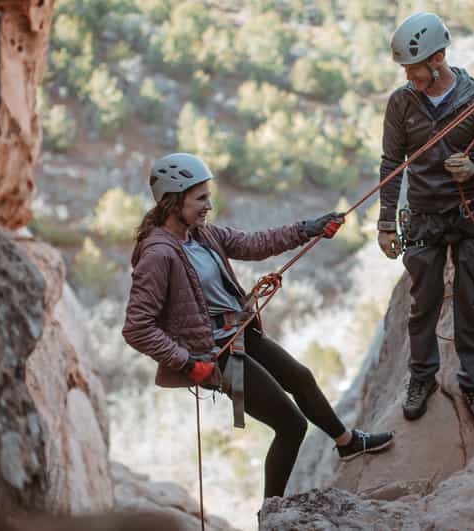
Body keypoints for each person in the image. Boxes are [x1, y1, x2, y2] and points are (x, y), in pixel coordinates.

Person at [123, 152, 394, 499]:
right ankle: (271, 512)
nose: (209, 205)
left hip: (236, 334)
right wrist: (188, 364)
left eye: (209, 196)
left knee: (301, 377)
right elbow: (137, 327)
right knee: (291, 425)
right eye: (200, 198)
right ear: (173, 201)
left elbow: (254, 244)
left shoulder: (202, 236)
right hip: (215, 355)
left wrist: (307, 230)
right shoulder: (158, 254)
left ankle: (347, 442)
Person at [377, 13, 474, 428]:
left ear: (437, 59)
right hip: (423, 217)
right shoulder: (402, 103)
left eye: (413, 68)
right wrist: (385, 224)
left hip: (467, 212)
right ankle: (422, 378)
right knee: (424, 304)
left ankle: (473, 381)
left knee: (470, 301)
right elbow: (390, 164)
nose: (408, 76)